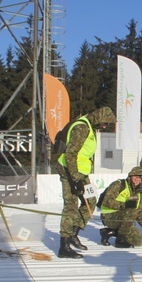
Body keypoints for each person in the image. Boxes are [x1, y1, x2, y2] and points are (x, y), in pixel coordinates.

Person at [55, 106, 116, 259]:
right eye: (104, 123)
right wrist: (75, 179)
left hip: (81, 173)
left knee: (91, 201)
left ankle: (74, 233)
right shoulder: (82, 128)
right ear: (98, 117)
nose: (104, 126)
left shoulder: (89, 127)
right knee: (70, 206)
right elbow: (70, 154)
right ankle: (64, 246)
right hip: (69, 172)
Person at [98, 166, 142, 247]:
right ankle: (120, 239)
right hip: (109, 216)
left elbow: (139, 210)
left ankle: (108, 232)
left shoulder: (138, 192)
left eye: (140, 177)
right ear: (130, 176)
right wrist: (124, 204)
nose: (137, 179)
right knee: (132, 210)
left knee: (138, 241)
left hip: (125, 219)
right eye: (135, 176)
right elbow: (106, 202)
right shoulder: (119, 184)